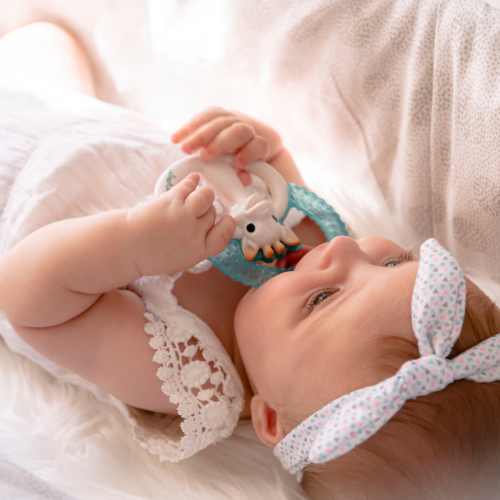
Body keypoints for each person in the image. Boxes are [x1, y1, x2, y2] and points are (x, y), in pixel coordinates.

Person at [0, 21, 500, 500]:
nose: (346, 249)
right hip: (96, 131)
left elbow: (29, 303)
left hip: (18, 197)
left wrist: (132, 245)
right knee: (50, 42)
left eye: (323, 299)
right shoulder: (321, 254)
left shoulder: (194, 375)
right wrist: (254, 148)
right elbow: (279, 191)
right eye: (394, 264)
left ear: (270, 420)